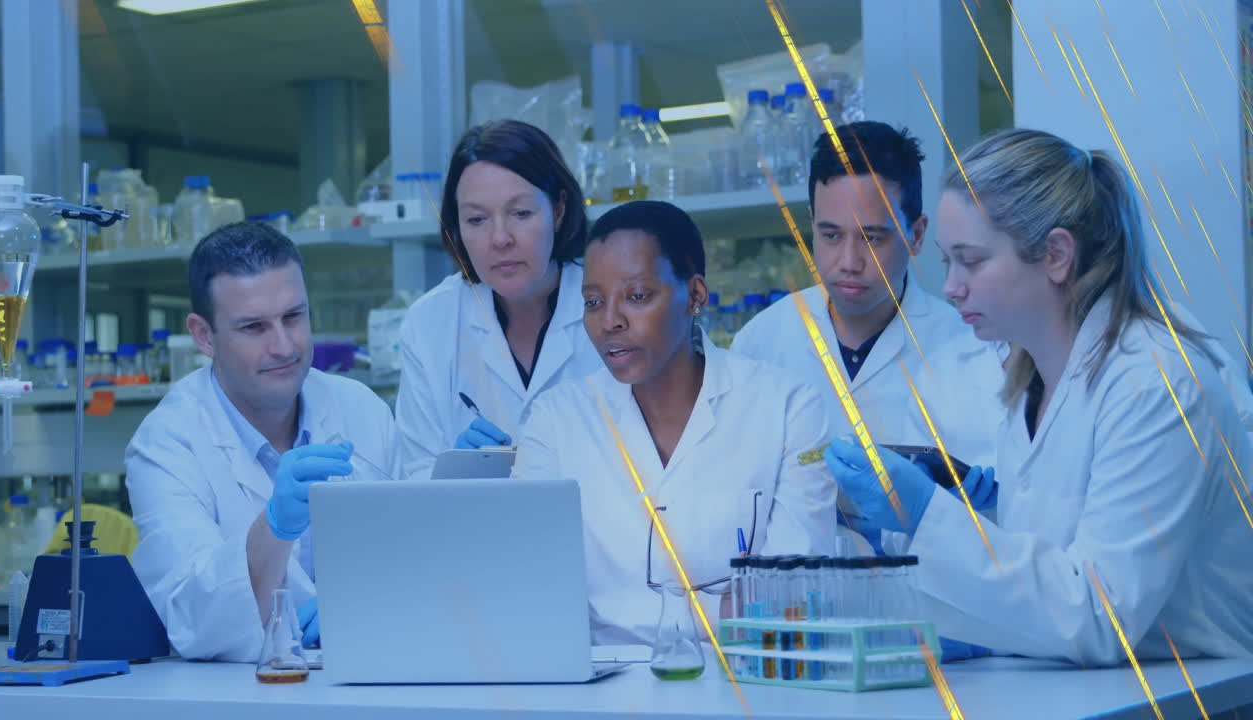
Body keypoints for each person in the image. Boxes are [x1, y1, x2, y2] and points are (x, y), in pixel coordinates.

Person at [825, 129, 1253, 664]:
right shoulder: (1033, 378)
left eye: (972, 261)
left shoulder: (1155, 382)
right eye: (947, 261)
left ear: (1055, 255)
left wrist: (926, 512)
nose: (952, 286)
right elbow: (1047, 576)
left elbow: (1100, 616)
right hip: (1090, 689)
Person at [511, 200, 837, 645]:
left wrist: (612, 611)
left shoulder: (785, 407)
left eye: (637, 296)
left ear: (696, 296)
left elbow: (795, 594)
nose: (610, 321)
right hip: (601, 695)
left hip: (744, 686)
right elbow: (528, 588)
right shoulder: (556, 422)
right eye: (593, 302)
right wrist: (724, 608)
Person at [127, 222, 401, 662]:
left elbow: (410, 566)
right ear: (203, 336)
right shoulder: (167, 444)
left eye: (294, 316)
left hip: (368, 677)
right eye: (254, 327)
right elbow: (191, 618)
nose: (283, 346)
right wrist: (273, 527)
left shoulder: (360, 410)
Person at [729, 121, 1007, 552]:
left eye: (872, 238)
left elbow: (1003, 525)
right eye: (831, 235)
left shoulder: (974, 350)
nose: (849, 261)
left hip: (927, 611)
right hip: (799, 608)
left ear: (916, 235)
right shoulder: (760, 343)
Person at [396, 120, 605, 481]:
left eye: (521, 213)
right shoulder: (431, 321)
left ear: (557, 210)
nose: (500, 238)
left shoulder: (611, 304)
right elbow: (414, 473)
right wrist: (452, 472)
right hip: (475, 532)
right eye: (476, 219)